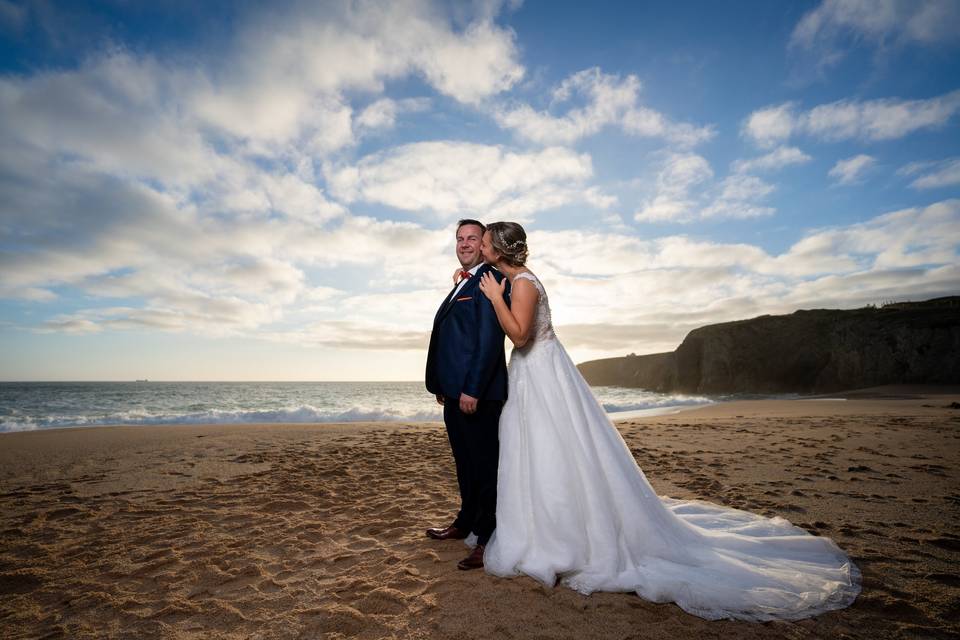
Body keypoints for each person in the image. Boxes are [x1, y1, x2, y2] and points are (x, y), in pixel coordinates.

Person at [473, 221, 861, 621]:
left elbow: (520, 336)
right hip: (534, 374)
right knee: (538, 450)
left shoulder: (521, 284)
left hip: (540, 372)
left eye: (484, 242)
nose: (480, 246)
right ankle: (544, 526)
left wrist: (493, 298)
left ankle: (562, 539)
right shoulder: (513, 279)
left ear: (499, 250)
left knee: (552, 449)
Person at [425, 219, 510, 570]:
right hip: (455, 394)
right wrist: (445, 386)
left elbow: (489, 342)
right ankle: (465, 522)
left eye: (472, 238)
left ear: (485, 244)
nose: (463, 244)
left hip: (478, 395)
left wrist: (472, 388)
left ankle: (487, 538)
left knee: (485, 467)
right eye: (459, 238)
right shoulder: (464, 281)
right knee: (464, 464)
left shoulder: (489, 280)